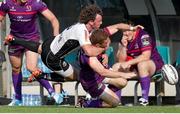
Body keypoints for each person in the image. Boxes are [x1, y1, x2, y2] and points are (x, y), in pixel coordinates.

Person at [4, 4, 143, 83]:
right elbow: (88, 51)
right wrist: (104, 50)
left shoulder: (88, 28)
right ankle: (41, 75)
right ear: (91, 22)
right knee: (79, 77)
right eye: (99, 21)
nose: (101, 23)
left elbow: (117, 26)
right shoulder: (81, 31)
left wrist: (132, 28)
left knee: (39, 48)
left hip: (49, 44)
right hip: (53, 59)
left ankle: (14, 40)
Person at [0, 0, 62, 106]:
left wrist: (56, 38)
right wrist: (3, 35)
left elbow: (53, 19)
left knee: (31, 68)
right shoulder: (7, 3)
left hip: (31, 40)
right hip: (14, 39)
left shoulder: (36, 3)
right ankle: (18, 100)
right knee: (15, 68)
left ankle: (53, 93)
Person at [78, 29, 137, 108]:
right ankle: (85, 103)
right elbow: (103, 72)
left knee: (122, 82)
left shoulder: (95, 41)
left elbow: (107, 40)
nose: (108, 44)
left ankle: (102, 97)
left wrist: (105, 54)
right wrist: (125, 74)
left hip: (99, 76)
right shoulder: (90, 56)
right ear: (98, 45)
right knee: (115, 102)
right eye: (106, 43)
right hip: (92, 82)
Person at [116, 22, 164, 106]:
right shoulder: (123, 39)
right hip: (136, 68)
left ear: (134, 29)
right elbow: (121, 61)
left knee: (142, 64)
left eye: (128, 30)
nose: (126, 33)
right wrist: (123, 47)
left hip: (152, 65)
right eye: (123, 31)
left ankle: (144, 99)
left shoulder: (143, 36)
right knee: (116, 67)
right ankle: (116, 100)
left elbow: (146, 56)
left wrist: (128, 62)